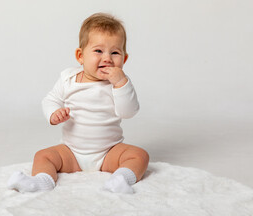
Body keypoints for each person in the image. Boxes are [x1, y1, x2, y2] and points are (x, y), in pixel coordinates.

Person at [8, 13, 149, 194]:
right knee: (43, 156)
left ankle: (119, 179)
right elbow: (50, 99)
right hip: (72, 152)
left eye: (115, 53)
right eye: (98, 51)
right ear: (80, 56)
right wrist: (54, 113)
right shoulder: (68, 78)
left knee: (140, 156)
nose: (107, 58)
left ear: (124, 59)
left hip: (108, 152)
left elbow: (128, 112)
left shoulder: (119, 83)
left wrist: (121, 84)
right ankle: (42, 181)